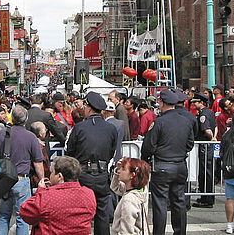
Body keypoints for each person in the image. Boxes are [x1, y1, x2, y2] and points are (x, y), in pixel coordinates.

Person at [0, 104, 45, 235]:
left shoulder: (2, 134)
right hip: (21, 180)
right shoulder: (30, 137)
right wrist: (42, 179)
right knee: (22, 217)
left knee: (3, 215)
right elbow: (38, 162)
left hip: (4, 180)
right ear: (26, 119)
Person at [141, 89, 195, 235]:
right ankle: (180, 232)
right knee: (179, 202)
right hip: (180, 165)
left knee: (160, 204)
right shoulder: (185, 121)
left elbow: (148, 146)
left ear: (163, 103)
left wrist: (146, 159)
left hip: (162, 165)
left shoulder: (159, 122)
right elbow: (190, 143)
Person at [67, 91, 118, 235]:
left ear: (88, 108)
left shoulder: (79, 128)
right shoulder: (111, 128)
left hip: (83, 174)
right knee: (102, 214)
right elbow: (112, 151)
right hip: (102, 173)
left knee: (81, 214)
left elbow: (70, 151)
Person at [20, 155, 96, 234]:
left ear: (60, 176)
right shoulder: (89, 194)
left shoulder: (47, 197)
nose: (50, 175)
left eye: (52, 172)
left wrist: (41, 191)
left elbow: (25, 212)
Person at [110, 157, 151, 235]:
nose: (119, 171)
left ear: (132, 175)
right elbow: (115, 187)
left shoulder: (129, 200)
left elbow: (126, 231)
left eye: (123, 169)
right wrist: (117, 171)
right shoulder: (142, 189)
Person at [192, 92, 216, 208]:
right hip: (208, 146)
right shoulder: (210, 112)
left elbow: (207, 130)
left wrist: (211, 138)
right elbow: (214, 127)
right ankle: (206, 195)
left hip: (205, 146)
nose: (193, 104)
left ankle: (206, 198)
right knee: (208, 171)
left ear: (201, 103)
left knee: (205, 171)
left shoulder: (203, 115)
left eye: (195, 102)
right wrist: (214, 137)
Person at [28, 121, 51, 189]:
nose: (46, 131)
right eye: (45, 129)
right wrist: (43, 180)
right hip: (37, 180)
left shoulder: (30, 143)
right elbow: (42, 164)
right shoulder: (39, 147)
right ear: (40, 133)